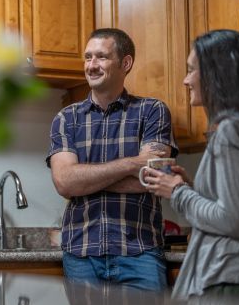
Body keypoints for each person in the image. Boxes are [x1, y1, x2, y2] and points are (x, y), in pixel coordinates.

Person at [143, 29, 239, 300]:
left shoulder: (232, 131)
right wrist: (191, 187)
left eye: (192, 70)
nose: (185, 80)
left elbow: (230, 220)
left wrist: (177, 191)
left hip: (233, 282)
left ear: (218, 75)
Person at [47, 28, 178, 291]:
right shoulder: (66, 118)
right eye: (87, 57)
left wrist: (85, 180)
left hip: (140, 251)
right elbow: (64, 183)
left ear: (125, 63)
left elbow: (156, 180)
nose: (91, 65)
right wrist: (133, 164)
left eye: (101, 57)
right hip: (81, 253)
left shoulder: (152, 111)